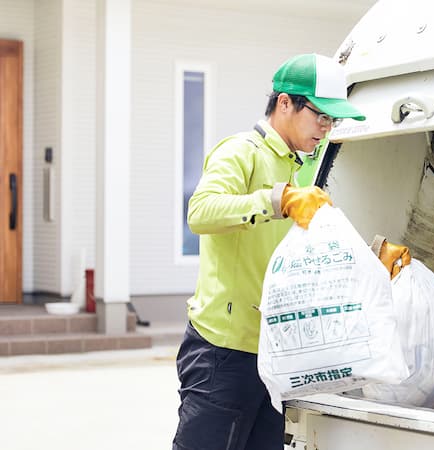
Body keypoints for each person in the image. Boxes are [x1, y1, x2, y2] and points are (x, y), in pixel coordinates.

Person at [172, 53, 410, 450]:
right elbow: (200, 212)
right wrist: (275, 199)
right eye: (320, 116)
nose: (327, 128)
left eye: (332, 120)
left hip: (274, 359)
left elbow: (305, 257)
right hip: (222, 353)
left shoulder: (300, 168)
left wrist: (371, 261)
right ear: (285, 103)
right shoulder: (240, 152)